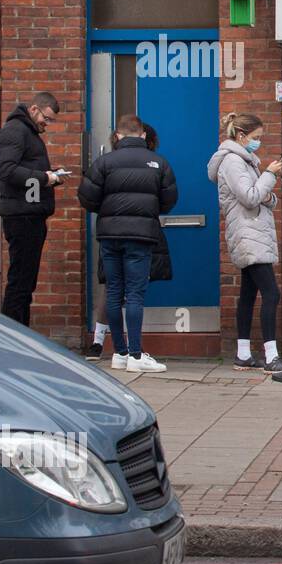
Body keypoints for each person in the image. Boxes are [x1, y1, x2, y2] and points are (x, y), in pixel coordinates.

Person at [77, 114, 178, 373]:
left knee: (113, 291)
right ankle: (135, 354)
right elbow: (169, 201)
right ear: (143, 135)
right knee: (134, 293)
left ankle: (120, 353)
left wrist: (109, 211)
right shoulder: (159, 163)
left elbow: (87, 198)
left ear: (118, 136)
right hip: (141, 235)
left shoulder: (103, 163)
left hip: (109, 235)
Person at [207, 112, 282, 373]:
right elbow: (251, 197)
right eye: (256, 138)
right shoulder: (233, 161)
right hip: (247, 233)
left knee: (248, 294)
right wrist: (269, 174)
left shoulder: (245, 161)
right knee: (272, 293)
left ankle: (242, 354)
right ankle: (271, 355)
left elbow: (264, 198)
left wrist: (266, 186)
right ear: (241, 136)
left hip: (252, 232)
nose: (258, 142)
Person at [0, 92, 63, 326]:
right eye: (46, 118)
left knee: (24, 283)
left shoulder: (28, 132)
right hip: (22, 218)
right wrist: (44, 178)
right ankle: (12, 343)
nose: (47, 124)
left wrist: (50, 177)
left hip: (28, 215)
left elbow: (21, 173)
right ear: (34, 109)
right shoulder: (16, 131)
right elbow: (5, 169)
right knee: (20, 284)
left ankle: (18, 339)